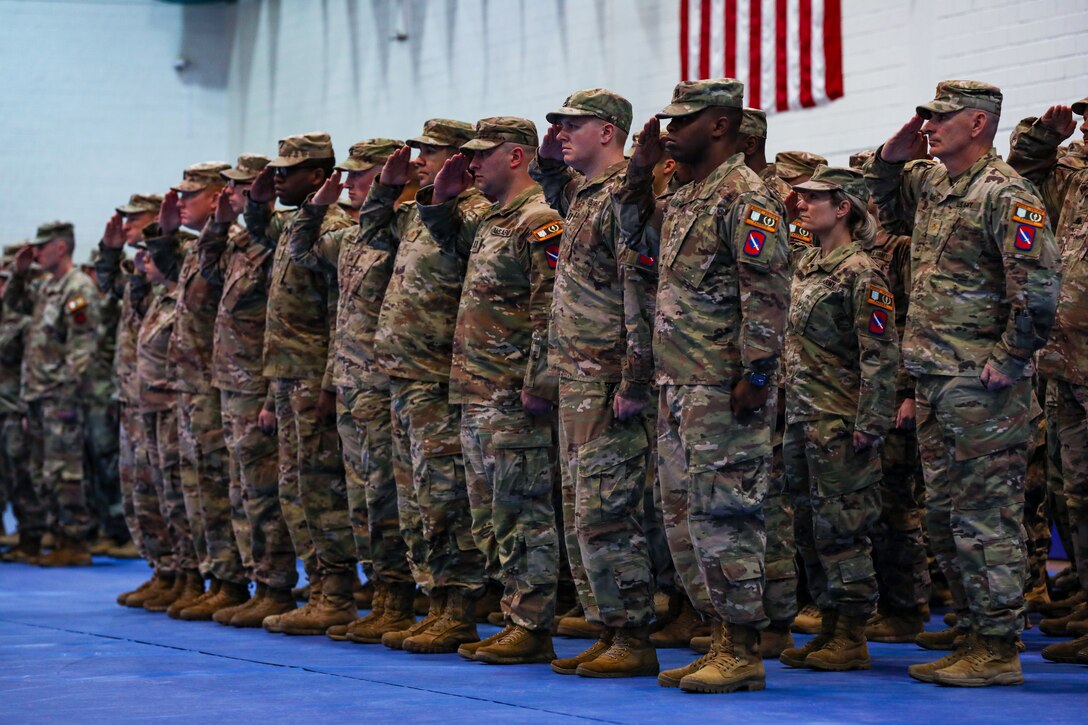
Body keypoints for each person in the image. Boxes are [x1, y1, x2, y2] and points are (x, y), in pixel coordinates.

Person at [867, 79, 1060, 687]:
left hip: (983, 386)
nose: (928, 128)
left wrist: (1009, 358)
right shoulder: (937, 185)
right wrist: (908, 133)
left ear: (977, 123)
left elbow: (1040, 290)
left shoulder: (1006, 194)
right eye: (926, 118)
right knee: (948, 515)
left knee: (987, 517)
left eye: (940, 118)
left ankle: (999, 647)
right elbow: (882, 183)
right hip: (934, 377)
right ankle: (972, 633)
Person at [622, 78, 790, 693]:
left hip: (722, 388)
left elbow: (767, 291)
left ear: (720, 125)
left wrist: (757, 373)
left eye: (683, 121)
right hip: (678, 383)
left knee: (728, 514)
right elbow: (629, 233)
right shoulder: (688, 194)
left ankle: (742, 647)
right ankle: (719, 634)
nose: (668, 129)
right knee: (684, 518)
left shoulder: (745, 196)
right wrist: (641, 168)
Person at [418, 117, 563, 664]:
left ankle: (532, 623)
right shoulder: (492, 221)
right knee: (490, 516)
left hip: (510, 394)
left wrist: (540, 380)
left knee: (521, 513)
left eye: (484, 155)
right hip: (476, 391)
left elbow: (551, 306)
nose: (473, 163)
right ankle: (513, 616)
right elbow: (448, 244)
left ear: (519, 157)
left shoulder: (540, 220)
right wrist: (443, 197)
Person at [531, 88, 660, 679]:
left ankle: (632, 636)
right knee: (583, 510)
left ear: (607, 132)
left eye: (572, 124)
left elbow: (639, 292)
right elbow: (546, 170)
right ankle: (608, 626)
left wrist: (634, 378)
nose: (560, 132)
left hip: (608, 376)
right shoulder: (581, 194)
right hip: (576, 376)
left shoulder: (625, 198)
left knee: (609, 511)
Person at [366, 120, 492, 654]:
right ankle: (434, 600)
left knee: (445, 498)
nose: (419, 159)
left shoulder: (475, 214)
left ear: (460, 158)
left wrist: (440, 200)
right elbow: (372, 232)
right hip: (403, 375)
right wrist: (386, 188)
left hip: (440, 376)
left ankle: (459, 608)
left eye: (431, 151)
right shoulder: (420, 211)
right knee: (416, 500)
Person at [287, 138, 420, 644]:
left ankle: (399, 597)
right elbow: (302, 254)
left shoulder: (400, 227)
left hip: (384, 383)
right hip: (350, 383)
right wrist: (316, 205)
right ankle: (380, 594)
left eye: (360, 175)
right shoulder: (354, 236)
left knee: (388, 498)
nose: (348, 184)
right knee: (364, 499)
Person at [775, 166, 898, 672]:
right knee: (808, 527)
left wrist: (871, 422)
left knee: (844, 529)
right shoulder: (807, 264)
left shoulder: (862, 273)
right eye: (800, 197)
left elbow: (880, 353)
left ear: (843, 207)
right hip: (803, 418)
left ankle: (851, 633)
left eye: (813, 198)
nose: (801, 205)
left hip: (840, 422)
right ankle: (828, 624)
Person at [245, 133, 357, 636]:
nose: (277, 178)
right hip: (289, 380)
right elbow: (258, 224)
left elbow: (341, 315)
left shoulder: (331, 229)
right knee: (294, 491)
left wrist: (331, 383)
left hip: (314, 380)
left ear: (319, 176)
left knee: (318, 491)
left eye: (287, 171)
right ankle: (317, 589)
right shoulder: (296, 225)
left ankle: (335, 594)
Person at [193, 153, 298, 626]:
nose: (230, 196)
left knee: (261, 492)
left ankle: (275, 585)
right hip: (230, 383)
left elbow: (281, 318)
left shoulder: (274, 238)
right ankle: (251, 580)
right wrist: (216, 225)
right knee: (240, 491)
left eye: (238, 188)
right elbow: (208, 274)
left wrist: (266, 393)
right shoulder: (237, 242)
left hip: (257, 383)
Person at [1007, 98, 1088, 664]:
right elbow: (1018, 182)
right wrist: (1045, 138)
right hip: (1066, 362)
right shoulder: (1075, 178)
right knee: (1074, 494)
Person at [6, 222, 101, 566]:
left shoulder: (78, 290)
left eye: (42, 247)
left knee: (66, 470)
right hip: (36, 395)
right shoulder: (47, 287)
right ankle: (56, 534)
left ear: (60, 248)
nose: (36, 253)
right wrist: (17, 275)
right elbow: (13, 307)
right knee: (42, 471)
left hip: (60, 398)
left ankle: (75, 540)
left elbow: (82, 349)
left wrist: (64, 392)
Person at [0, 246, 46, 563]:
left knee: (21, 474)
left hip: (14, 407)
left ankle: (31, 536)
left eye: (6, 281)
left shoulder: (23, 322)